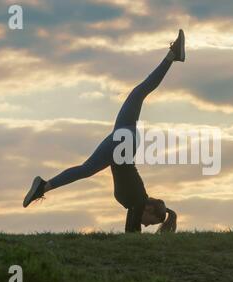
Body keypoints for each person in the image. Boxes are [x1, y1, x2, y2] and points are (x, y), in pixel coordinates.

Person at [23, 30, 186, 233]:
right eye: (150, 222)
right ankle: (43, 187)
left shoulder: (134, 202)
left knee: (137, 94)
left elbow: (131, 231)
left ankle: (172, 55)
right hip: (125, 142)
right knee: (87, 168)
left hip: (126, 139)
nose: (144, 225)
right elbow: (133, 232)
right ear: (150, 208)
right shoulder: (137, 198)